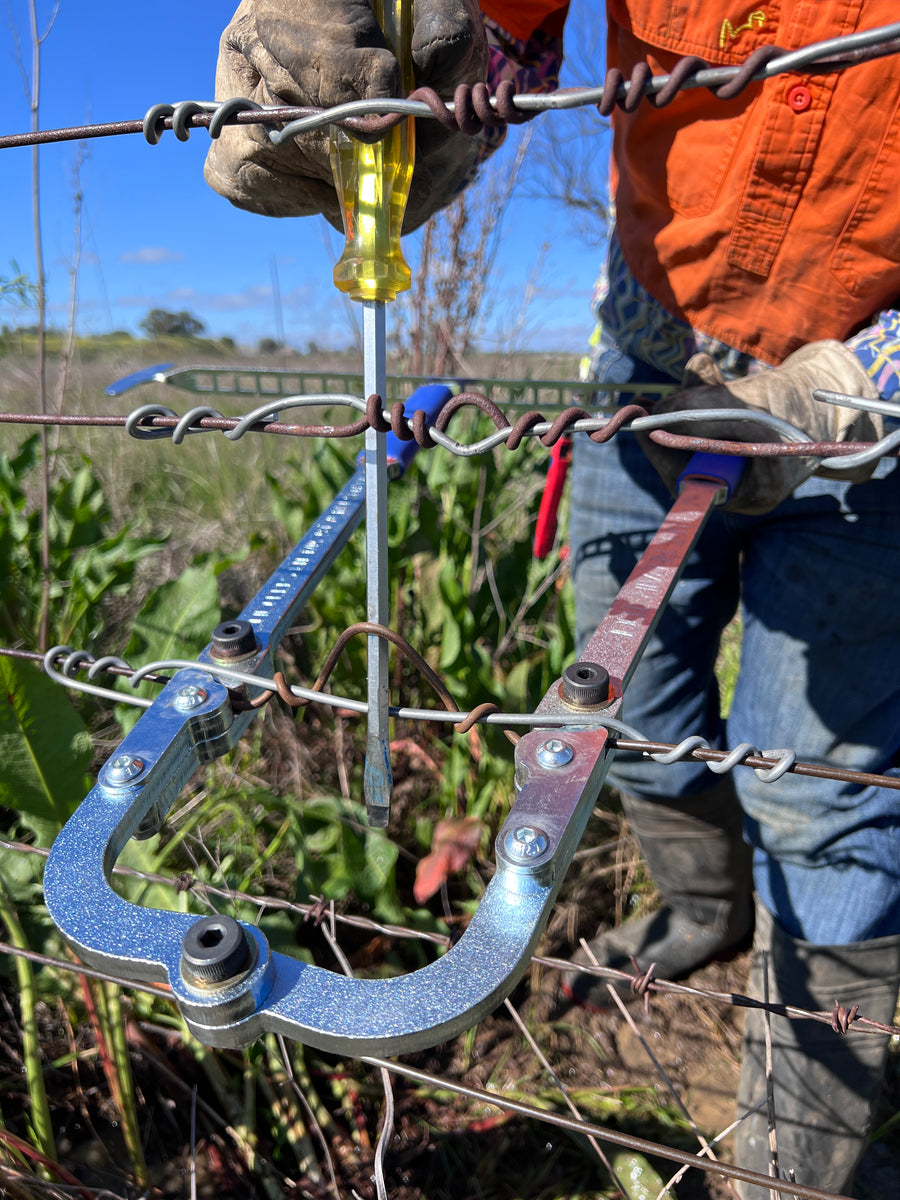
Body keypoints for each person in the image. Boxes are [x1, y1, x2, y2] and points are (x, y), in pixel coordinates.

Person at [204, 4, 900, 1196]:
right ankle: (704, 911)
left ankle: (807, 1157)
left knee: (822, 793)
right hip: (651, 350)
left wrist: (861, 387)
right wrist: (408, 58)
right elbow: (501, 27)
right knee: (628, 693)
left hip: (872, 408)